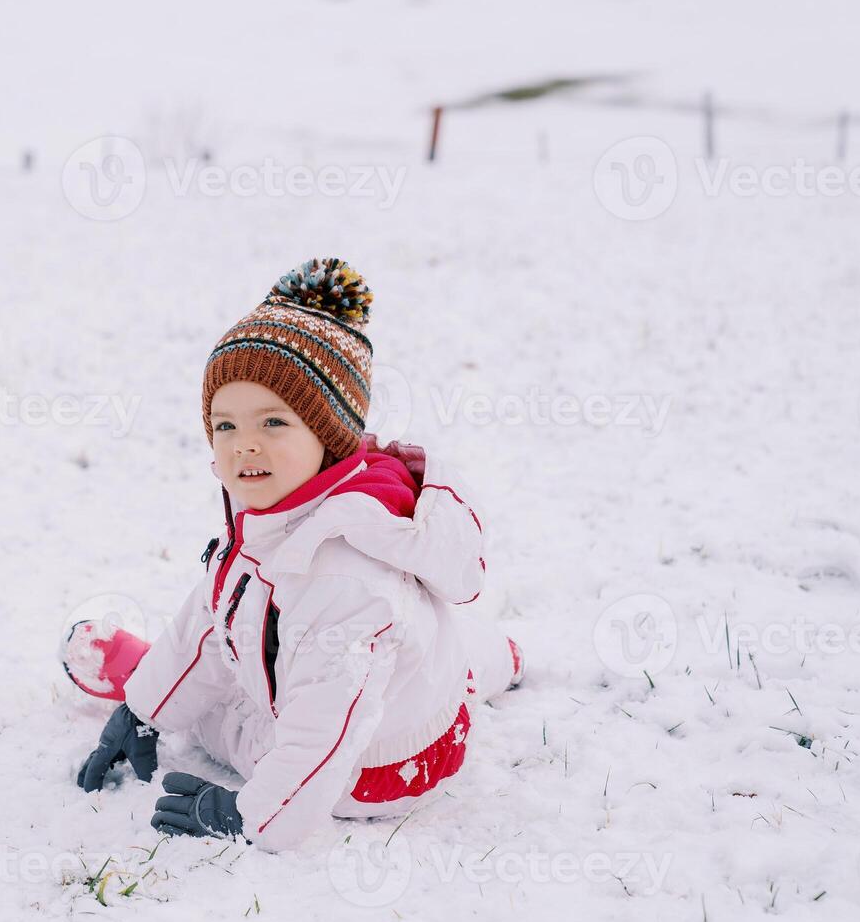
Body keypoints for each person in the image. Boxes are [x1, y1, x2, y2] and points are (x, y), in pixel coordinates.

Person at [63, 259, 523, 853]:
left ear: (328, 435)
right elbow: (214, 612)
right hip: (418, 687)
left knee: (228, 717)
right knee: (446, 651)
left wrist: (249, 815)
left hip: (370, 771)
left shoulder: (344, 579)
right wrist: (143, 711)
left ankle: (154, 676)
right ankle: (503, 656)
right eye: (224, 424)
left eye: (274, 422)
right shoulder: (276, 511)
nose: (243, 443)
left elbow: (321, 741)